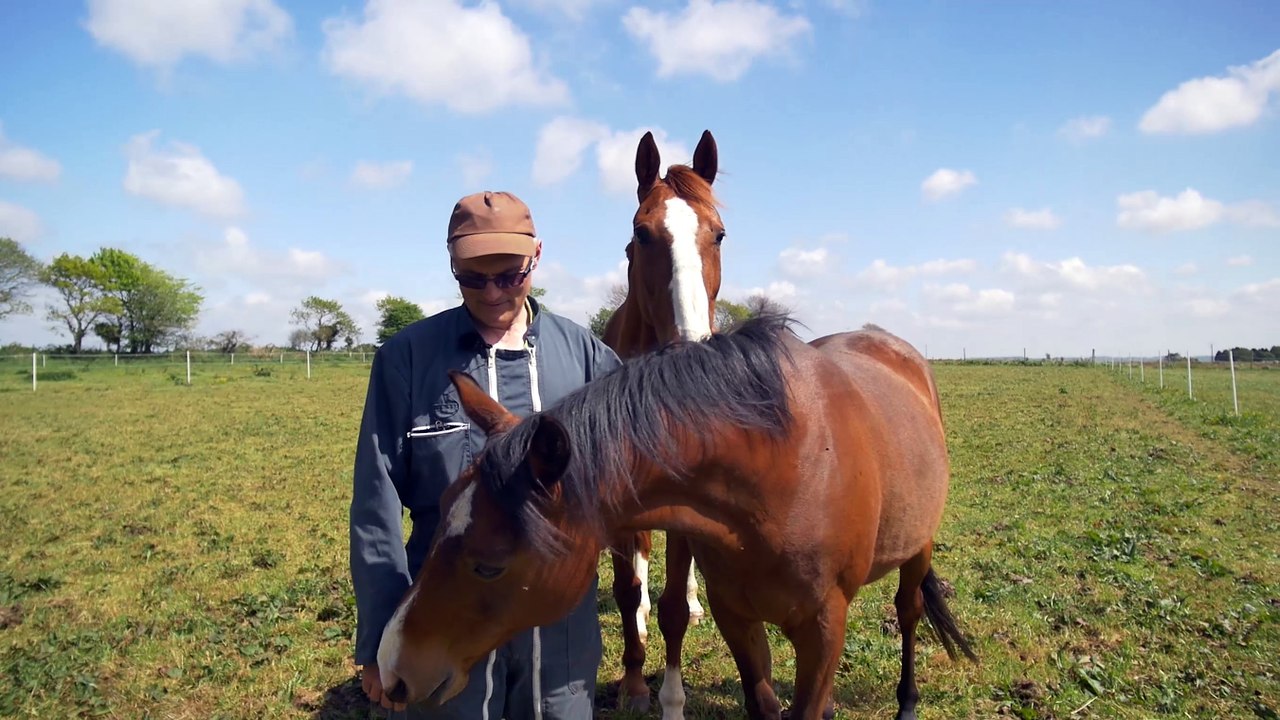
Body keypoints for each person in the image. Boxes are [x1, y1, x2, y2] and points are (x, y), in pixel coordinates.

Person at [350, 191, 620, 718]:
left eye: (510, 276)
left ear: (535, 257)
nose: (493, 292)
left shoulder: (587, 359)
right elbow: (375, 507)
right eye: (473, 278)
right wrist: (378, 635)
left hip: (560, 633)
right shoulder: (407, 360)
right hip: (448, 612)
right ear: (451, 264)